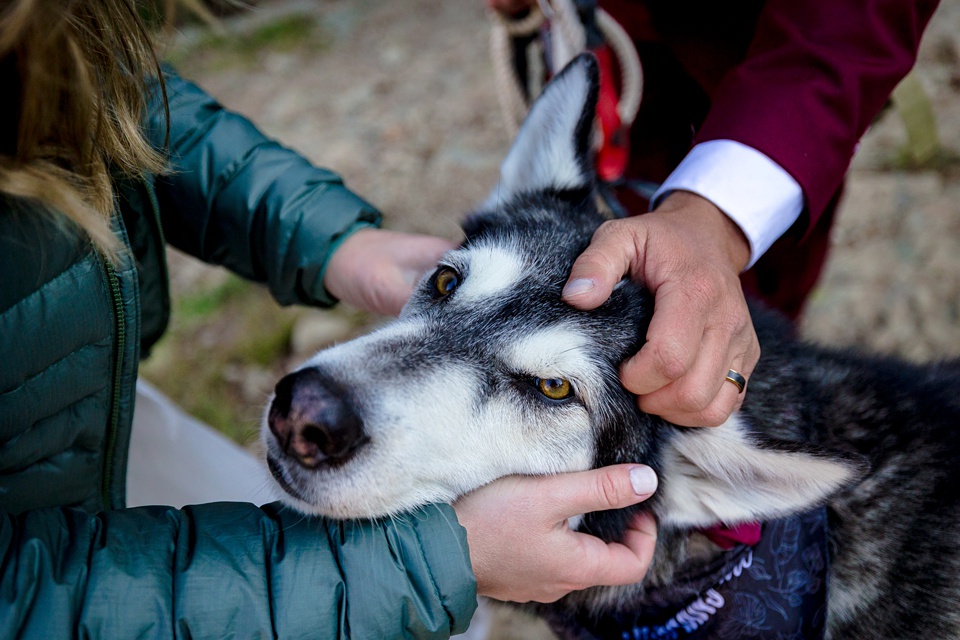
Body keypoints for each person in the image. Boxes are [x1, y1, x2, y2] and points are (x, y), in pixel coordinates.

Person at [0, 1, 659, 636]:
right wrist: (427, 568)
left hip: (75, 416)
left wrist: (331, 239)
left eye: (548, 387)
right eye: (450, 282)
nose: (313, 403)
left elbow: (101, 88)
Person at [490, 0, 939, 428]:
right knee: (625, 198)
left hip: (766, 36)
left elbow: (851, 22)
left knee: (751, 281)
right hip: (609, 28)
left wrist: (719, 221)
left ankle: (747, 381)